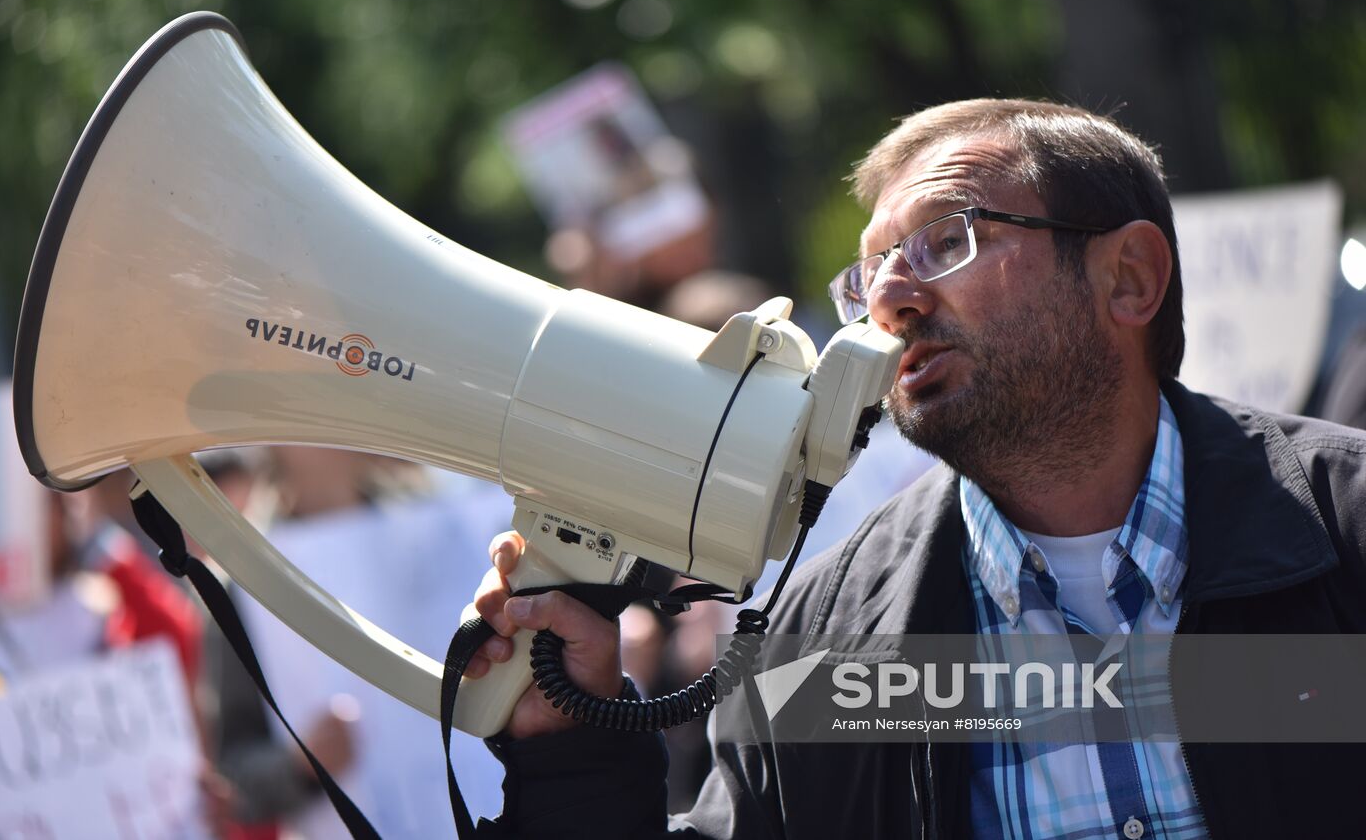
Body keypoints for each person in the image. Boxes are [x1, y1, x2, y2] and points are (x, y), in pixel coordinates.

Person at [464, 99, 1366, 838]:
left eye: (947, 239)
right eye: (867, 278)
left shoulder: (1346, 524)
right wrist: (573, 747)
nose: (889, 300)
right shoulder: (820, 634)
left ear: (1129, 276)